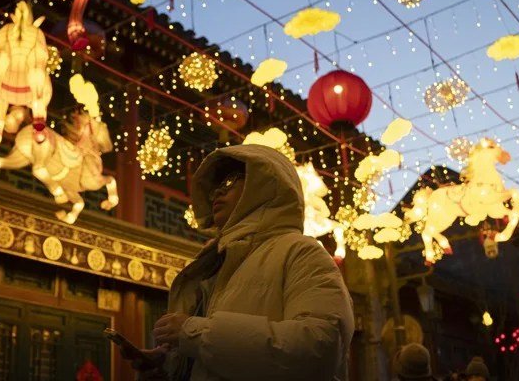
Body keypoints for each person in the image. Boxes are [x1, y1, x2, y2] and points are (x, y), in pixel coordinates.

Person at [126, 144, 354, 380]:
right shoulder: (214, 263)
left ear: (265, 184)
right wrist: (171, 366)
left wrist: (194, 333)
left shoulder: (301, 252)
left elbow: (321, 345)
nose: (217, 194)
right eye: (214, 189)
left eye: (229, 182)